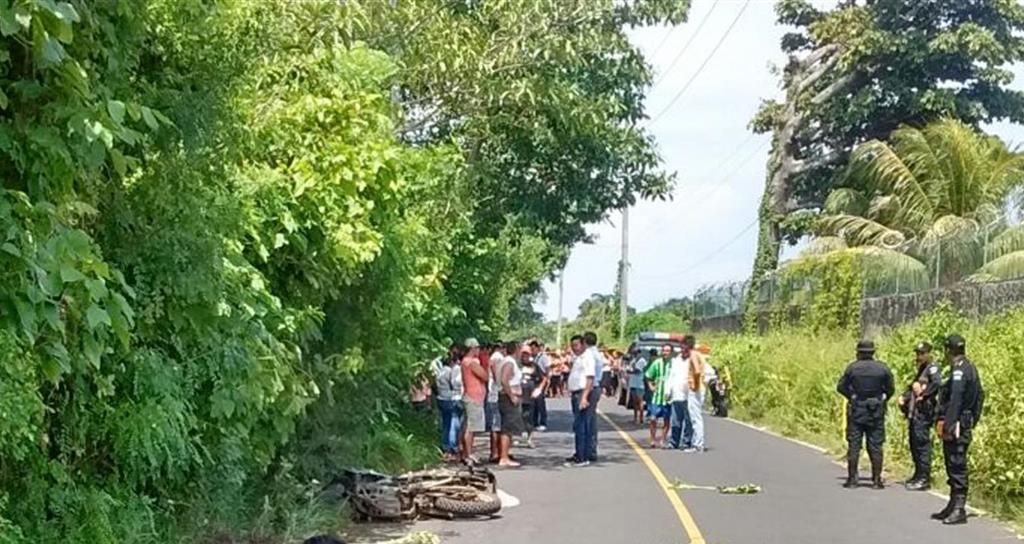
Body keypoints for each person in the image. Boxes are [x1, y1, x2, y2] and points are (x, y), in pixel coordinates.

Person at [931, 334, 984, 525]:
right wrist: (973, 419)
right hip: (962, 422)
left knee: (957, 464)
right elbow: (980, 396)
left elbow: (956, 398)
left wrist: (950, 424)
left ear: (948, 350)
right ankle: (952, 504)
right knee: (951, 463)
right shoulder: (970, 367)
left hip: (957, 425)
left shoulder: (959, 370)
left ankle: (960, 509)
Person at [837, 339, 895, 489]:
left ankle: (852, 479)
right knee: (875, 445)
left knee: (854, 444)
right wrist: (882, 398)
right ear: (873, 352)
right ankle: (876, 480)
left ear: (859, 353)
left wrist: (852, 396)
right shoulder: (882, 369)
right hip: (876, 410)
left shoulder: (852, 368)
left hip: (857, 409)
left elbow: (841, 387)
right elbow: (890, 389)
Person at [898, 341, 942, 490]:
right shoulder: (922, 369)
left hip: (924, 413)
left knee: (922, 445)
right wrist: (904, 397)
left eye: (922, 353)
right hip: (915, 413)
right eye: (917, 353)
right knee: (914, 444)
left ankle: (924, 478)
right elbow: (913, 386)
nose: (919, 356)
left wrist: (923, 394)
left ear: (929, 354)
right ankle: (918, 474)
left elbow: (936, 384)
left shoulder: (933, 368)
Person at [565, 334, 597, 467]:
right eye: (572, 346)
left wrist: (584, 397)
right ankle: (580, 453)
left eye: (577, 345)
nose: (574, 348)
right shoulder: (579, 357)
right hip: (577, 393)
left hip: (583, 393)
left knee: (581, 425)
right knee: (579, 425)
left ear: (584, 344)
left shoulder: (588, 357)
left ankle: (582, 457)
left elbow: (590, 377)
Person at [496, 341, 525, 467]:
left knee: (509, 427)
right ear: (516, 349)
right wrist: (511, 395)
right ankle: (503, 457)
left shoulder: (506, 361)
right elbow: (504, 379)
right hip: (508, 398)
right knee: (507, 428)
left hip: (507, 396)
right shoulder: (509, 362)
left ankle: (505, 454)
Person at [459, 338, 488, 464]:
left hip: (471, 396)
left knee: (468, 426)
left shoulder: (464, 362)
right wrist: (484, 364)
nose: (479, 350)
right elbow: (485, 376)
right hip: (473, 397)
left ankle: (466, 452)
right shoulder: (471, 362)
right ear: (472, 348)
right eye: (477, 348)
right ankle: (469, 454)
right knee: (471, 427)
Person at [434, 343, 464, 462]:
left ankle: (445, 447)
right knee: (455, 424)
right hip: (453, 399)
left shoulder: (440, 371)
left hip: (442, 398)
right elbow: (455, 384)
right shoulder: (454, 370)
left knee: (446, 424)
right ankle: (453, 448)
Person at [644, 345, 673, 449]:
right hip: (657, 396)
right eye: (664, 350)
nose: (665, 352)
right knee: (653, 418)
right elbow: (648, 375)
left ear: (671, 352)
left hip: (668, 396)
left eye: (668, 351)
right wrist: (651, 385)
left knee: (667, 419)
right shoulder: (657, 363)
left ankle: (663, 440)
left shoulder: (673, 364)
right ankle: (652, 439)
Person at [520, 345, 548, 448]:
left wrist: (539, 389)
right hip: (518, 394)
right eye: (523, 354)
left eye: (527, 355)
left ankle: (529, 438)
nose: (524, 357)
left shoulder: (534, 366)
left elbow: (544, 378)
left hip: (529, 395)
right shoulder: (517, 365)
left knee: (529, 418)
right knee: (518, 417)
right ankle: (517, 436)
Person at [665, 346, 692, 450]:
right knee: (676, 421)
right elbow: (671, 376)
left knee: (688, 421)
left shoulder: (692, 361)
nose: (684, 351)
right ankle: (674, 442)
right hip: (676, 395)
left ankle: (687, 442)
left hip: (689, 396)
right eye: (682, 348)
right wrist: (668, 391)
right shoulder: (675, 361)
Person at [684, 336, 707, 453]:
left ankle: (698, 444)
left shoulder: (693, 355)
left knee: (695, 417)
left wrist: (695, 386)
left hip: (696, 388)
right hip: (700, 387)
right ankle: (697, 443)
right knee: (697, 417)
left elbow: (697, 371)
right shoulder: (699, 354)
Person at [483, 343, 505, 463]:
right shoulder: (497, 357)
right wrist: (501, 385)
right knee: (496, 426)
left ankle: (496, 452)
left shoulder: (493, 357)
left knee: (495, 426)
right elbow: (495, 371)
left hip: (492, 394)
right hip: (495, 395)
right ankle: (495, 452)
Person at [583, 332, 603, 461]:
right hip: (596, 387)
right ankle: (591, 449)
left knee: (586, 421)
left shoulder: (589, 354)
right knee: (591, 420)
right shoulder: (598, 354)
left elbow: (589, 375)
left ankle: (588, 450)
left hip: (590, 388)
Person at [627, 349, 652, 425]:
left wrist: (630, 371)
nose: (634, 354)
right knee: (634, 402)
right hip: (633, 383)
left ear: (639, 353)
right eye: (633, 353)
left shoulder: (642, 361)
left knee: (640, 401)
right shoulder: (633, 360)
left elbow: (637, 371)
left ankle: (641, 418)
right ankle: (635, 418)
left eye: (636, 353)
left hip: (639, 384)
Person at [529, 340, 550, 431]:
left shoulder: (543, 357)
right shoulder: (531, 358)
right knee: (533, 404)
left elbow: (547, 370)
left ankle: (543, 422)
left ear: (537, 348)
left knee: (540, 403)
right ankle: (534, 422)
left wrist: (547, 383)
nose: (532, 351)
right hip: (533, 381)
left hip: (541, 381)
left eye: (533, 349)